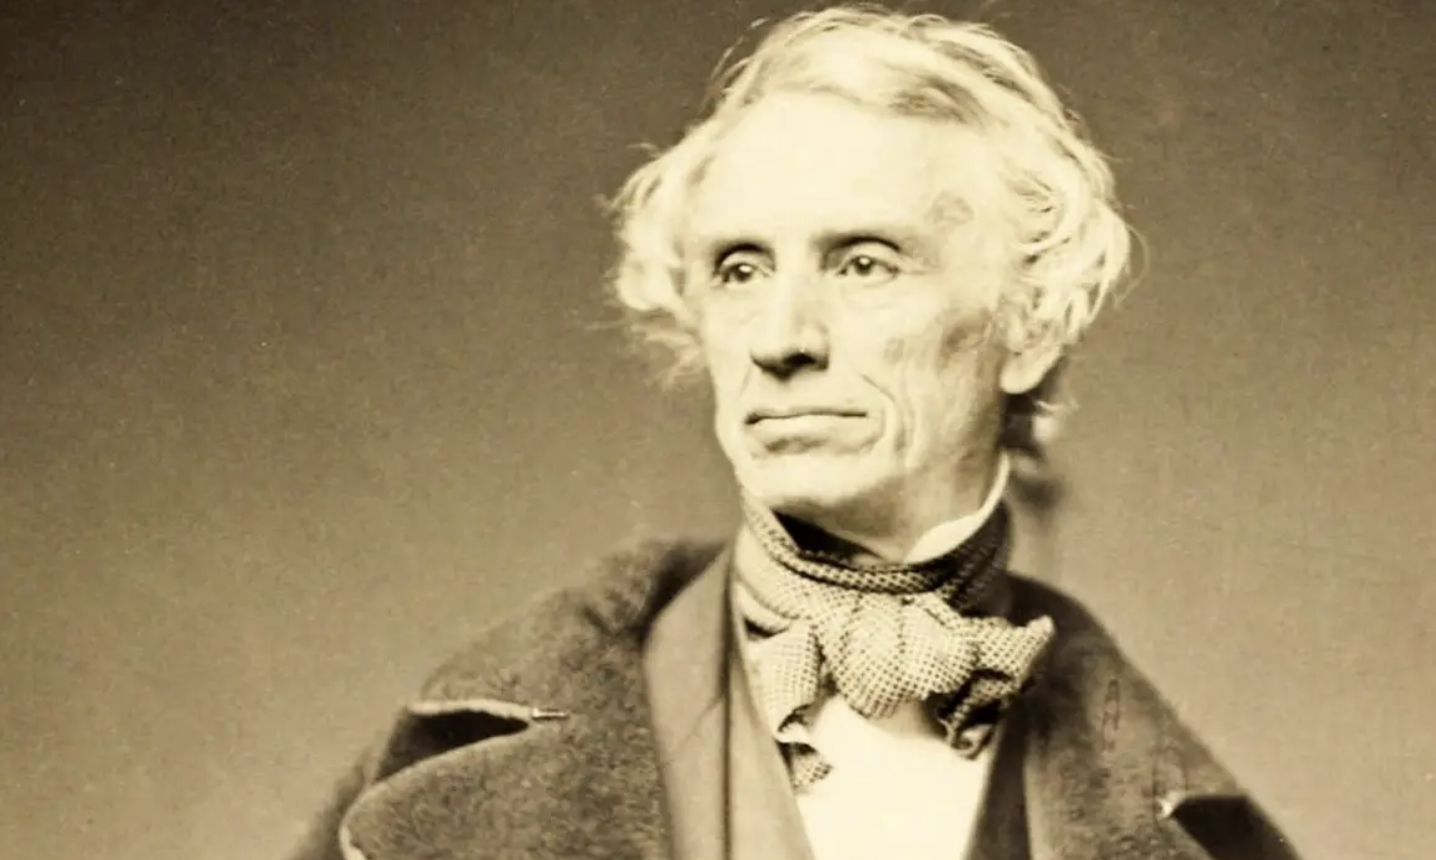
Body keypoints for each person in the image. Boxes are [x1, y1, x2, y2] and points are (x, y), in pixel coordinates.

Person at [288, 6, 1301, 859]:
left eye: (863, 263)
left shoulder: (1200, 825)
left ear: (1028, 327)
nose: (781, 338)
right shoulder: (443, 767)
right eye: (740, 269)